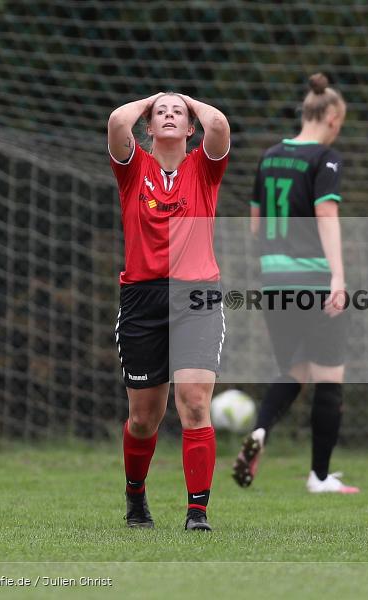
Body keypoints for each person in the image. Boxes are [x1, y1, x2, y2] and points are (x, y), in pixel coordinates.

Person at [108, 91, 230, 531]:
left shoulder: (203, 166)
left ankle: (197, 512)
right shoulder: (134, 166)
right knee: (144, 418)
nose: (170, 115)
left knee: (195, 403)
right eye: (162, 113)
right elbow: (116, 123)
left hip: (196, 295)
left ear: (190, 126)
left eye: (178, 113)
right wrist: (154, 99)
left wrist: (188, 102)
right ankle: (136, 498)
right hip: (142, 298)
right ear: (150, 126)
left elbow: (219, 126)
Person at [232, 73, 358, 494]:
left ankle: (261, 430)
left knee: (294, 370)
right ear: (333, 116)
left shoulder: (269, 157)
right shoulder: (326, 158)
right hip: (314, 279)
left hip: (273, 281)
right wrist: (338, 276)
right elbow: (326, 215)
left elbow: (255, 226)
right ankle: (319, 476)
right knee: (329, 378)